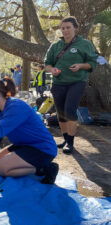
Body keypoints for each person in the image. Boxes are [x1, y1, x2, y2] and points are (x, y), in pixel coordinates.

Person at [44, 16, 97, 154]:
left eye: (68, 27)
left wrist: (80, 65)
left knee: (69, 110)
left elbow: (92, 63)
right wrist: (52, 70)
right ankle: (66, 138)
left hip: (77, 82)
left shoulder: (85, 44)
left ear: (75, 28)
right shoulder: (55, 46)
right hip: (58, 83)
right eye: (63, 28)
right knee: (61, 114)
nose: (65, 30)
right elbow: (47, 64)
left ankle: (70, 143)